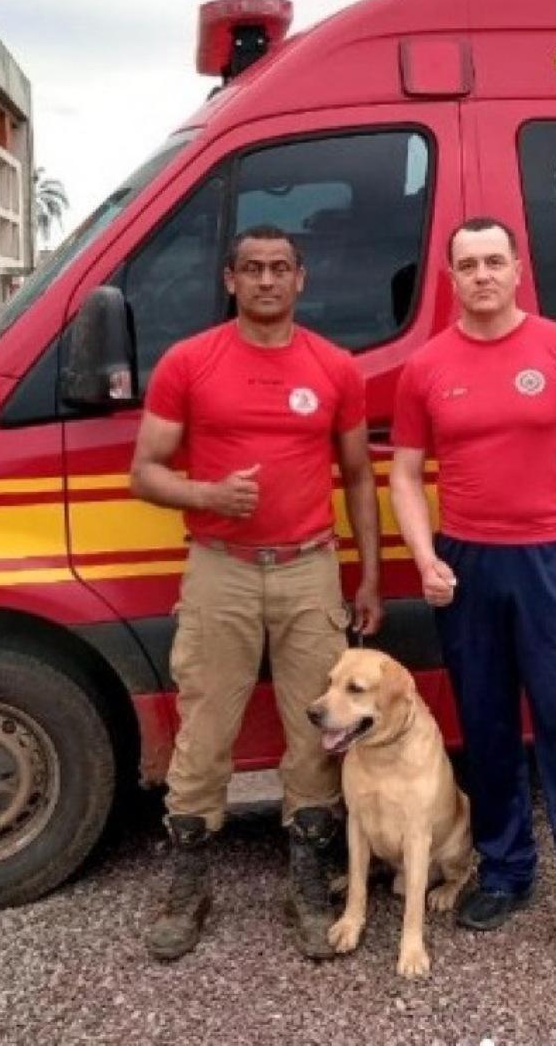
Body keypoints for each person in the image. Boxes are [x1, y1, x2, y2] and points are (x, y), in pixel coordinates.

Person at [388, 216, 556, 973]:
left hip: (550, 559)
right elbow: (405, 472)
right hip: (468, 565)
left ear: (516, 269)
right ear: (449, 276)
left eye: (493, 261)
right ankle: (505, 871)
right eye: (466, 264)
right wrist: (425, 554)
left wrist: (555, 492)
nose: (481, 275)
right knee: (490, 726)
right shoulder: (427, 366)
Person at [129, 224, 382, 962]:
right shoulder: (189, 362)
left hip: (309, 568)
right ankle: (189, 885)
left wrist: (366, 575)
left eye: (279, 268)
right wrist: (208, 492)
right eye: (251, 269)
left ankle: (306, 880)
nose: (266, 280)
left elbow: (359, 476)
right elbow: (144, 470)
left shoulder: (335, 367)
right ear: (230, 282)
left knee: (320, 730)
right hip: (220, 566)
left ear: (300, 279)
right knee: (205, 728)